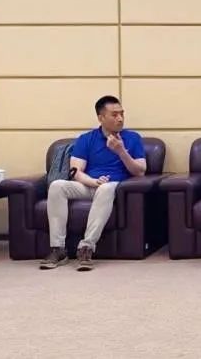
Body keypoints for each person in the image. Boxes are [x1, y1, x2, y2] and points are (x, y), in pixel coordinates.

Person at [39, 95, 146, 272]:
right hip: (89, 185)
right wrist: (93, 181)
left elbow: (140, 171)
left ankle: (86, 247)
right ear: (101, 118)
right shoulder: (86, 139)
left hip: (113, 188)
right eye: (114, 115)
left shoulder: (132, 138)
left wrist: (121, 151)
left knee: (106, 188)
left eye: (122, 114)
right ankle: (58, 249)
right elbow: (75, 171)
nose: (120, 118)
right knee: (57, 186)